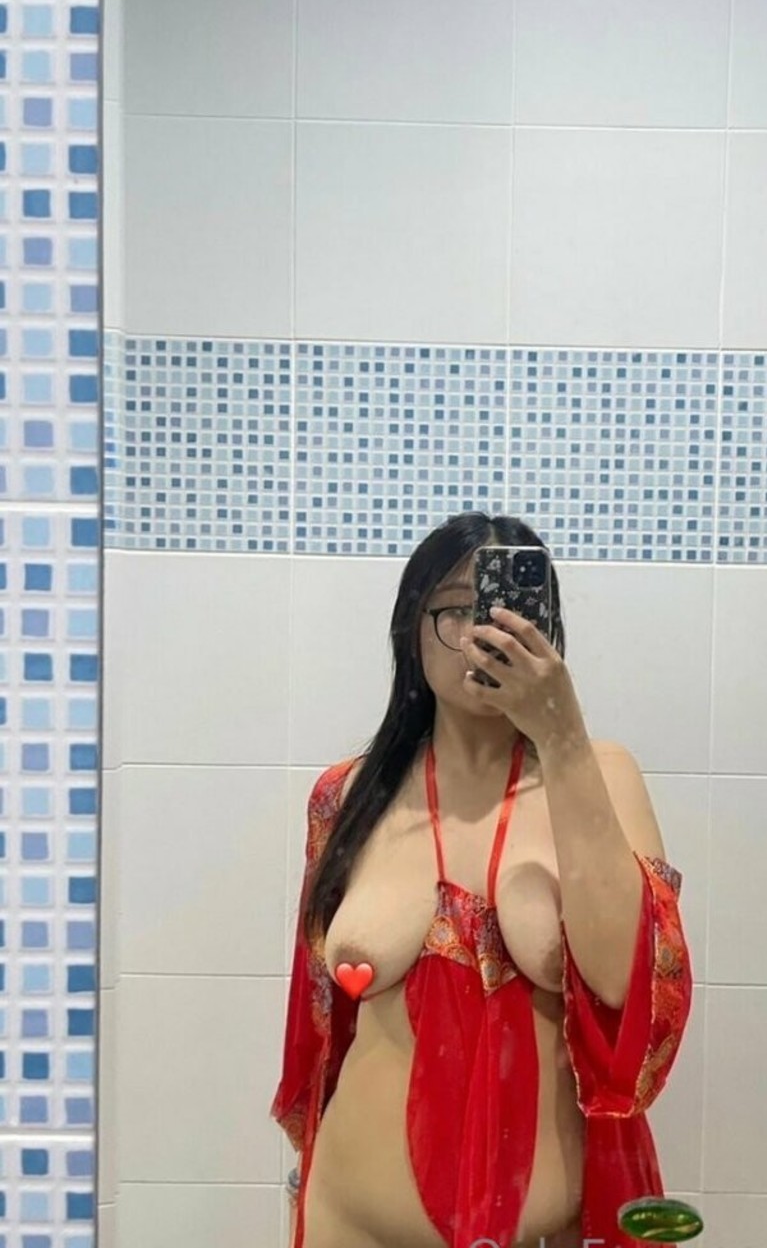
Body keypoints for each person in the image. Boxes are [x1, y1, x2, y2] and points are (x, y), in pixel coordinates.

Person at [271, 512, 693, 1248]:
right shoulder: (346, 796)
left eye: (502, 606)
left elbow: (628, 989)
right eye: (453, 610)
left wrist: (561, 733)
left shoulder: (601, 775)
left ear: (545, 627)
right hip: (349, 1217)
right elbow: (318, 1032)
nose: (478, 632)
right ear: (411, 629)